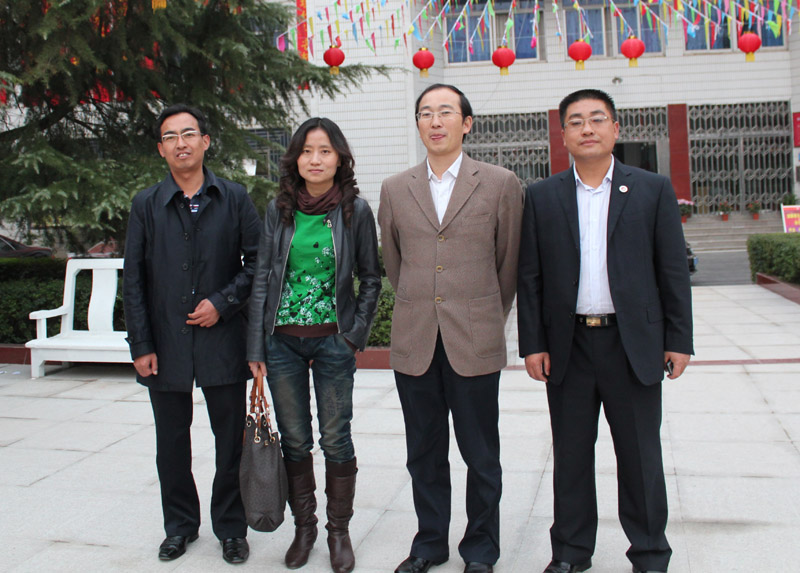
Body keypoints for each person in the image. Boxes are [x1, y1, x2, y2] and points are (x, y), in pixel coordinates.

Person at [517, 89, 694, 573]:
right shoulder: (542, 196)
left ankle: (650, 554)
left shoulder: (651, 189)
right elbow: (530, 277)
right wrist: (533, 344)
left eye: (597, 119)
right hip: (568, 347)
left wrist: (678, 340)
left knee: (640, 457)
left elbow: (672, 270)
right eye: (576, 121)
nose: (587, 129)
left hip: (632, 345)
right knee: (571, 457)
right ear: (563, 135)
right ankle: (571, 553)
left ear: (615, 129)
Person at [378, 84, 523, 573]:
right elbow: (395, 263)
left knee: (481, 454)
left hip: (474, 337)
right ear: (418, 124)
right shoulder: (396, 188)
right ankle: (429, 544)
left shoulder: (500, 183)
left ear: (467, 123)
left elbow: (507, 265)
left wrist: (485, 315)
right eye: (425, 113)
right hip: (415, 337)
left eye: (445, 112)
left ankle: (480, 550)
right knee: (423, 452)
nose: (435, 121)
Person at [123, 104, 261, 564]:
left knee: (230, 442)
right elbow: (134, 279)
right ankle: (180, 526)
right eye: (170, 137)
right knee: (171, 445)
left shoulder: (234, 197)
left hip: (224, 340)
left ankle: (231, 528)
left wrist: (223, 302)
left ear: (205, 141)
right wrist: (141, 344)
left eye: (188, 134)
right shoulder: (146, 204)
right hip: (166, 342)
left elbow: (258, 263)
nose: (180, 143)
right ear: (160, 149)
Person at [246, 117, 381, 573]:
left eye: (324, 151)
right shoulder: (278, 209)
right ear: (295, 159)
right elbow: (263, 278)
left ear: (339, 158)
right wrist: (256, 347)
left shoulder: (355, 211)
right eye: (307, 151)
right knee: (296, 439)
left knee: (336, 438)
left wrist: (353, 335)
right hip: (281, 344)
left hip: (333, 344)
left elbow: (371, 277)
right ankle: (304, 529)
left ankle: (338, 532)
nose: (315, 159)